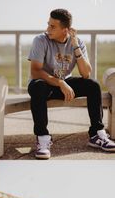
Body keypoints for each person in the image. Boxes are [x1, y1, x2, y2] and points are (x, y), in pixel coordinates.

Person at [28, 8, 115, 159]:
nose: (47, 29)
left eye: (52, 26)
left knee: (93, 85)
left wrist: (75, 46)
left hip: (65, 84)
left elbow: (86, 73)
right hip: (45, 84)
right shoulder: (40, 40)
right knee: (37, 86)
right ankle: (42, 138)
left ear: (65, 30)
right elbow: (36, 71)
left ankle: (97, 134)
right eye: (48, 24)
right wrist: (60, 82)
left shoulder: (77, 42)